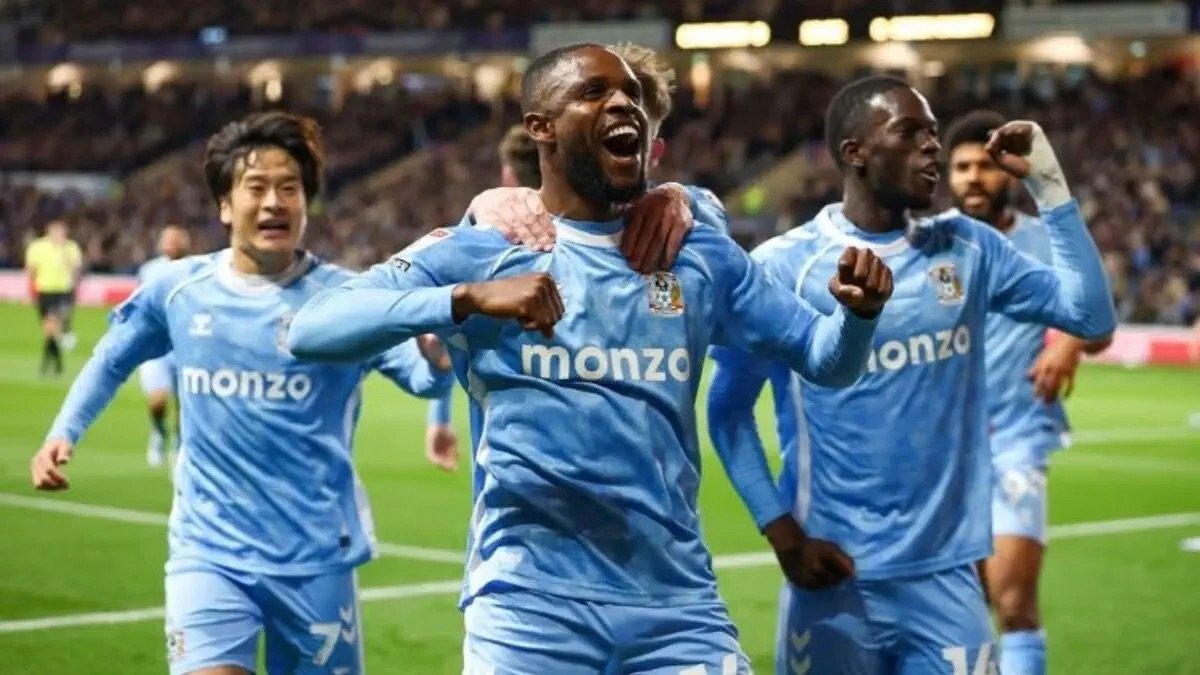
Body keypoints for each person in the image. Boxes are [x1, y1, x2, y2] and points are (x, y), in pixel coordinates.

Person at [287, 43, 893, 673]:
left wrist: (859, 316)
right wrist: (465, 299)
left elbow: (827, 361)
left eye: (631, 94)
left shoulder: (698, 256)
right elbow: (313, 328)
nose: (622, 103)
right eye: (594, 93)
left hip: (677, 606)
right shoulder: (481, 250)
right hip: (528, 605)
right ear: (540, 128)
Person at [705, 76, 1117, 675]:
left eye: (934, 134)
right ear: (856, 152)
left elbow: (1089, 317)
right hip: (834, 580)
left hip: (949, 580)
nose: (934, 149)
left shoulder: (968, 249)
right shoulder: (783, 267)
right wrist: (783, 534)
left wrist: (1049, 185)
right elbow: (728, 408)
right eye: (912, 134)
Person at [29, 111, 454, 675]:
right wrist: (64, 431)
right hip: (208, 553)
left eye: (290, 188)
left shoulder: (350, 298)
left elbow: (423, 381)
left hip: (317, 558)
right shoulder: (178, 292)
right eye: (256, 187)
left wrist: (439, 359)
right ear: (225, 205)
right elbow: (111, 357)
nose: (274, 202)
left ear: (307, 203)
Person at [943, 109, 1112, 675]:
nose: (972, 177)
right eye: (961, 166)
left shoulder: (1045, 241)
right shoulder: (931, 246)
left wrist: (1069, 340)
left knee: (1013, 601)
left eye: (985, 166)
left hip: (1018, 439)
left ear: (1009, 174)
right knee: (957, 611)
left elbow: (1099, 322)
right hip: (944, 451)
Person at [137, 224, 192, 469]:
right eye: (167, 238)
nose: (171, 243)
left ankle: (180, 444)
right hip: (156, 346)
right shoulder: (149, 270)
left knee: (185, 403)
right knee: (157, 400)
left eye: (176, 239)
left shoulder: (197, 269)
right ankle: (159, 432)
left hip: (185, 346)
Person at [24, 219, 83, 376]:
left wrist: (76, 286)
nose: (58, 235)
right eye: (55, 232)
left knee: (53, 325)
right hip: (45, 290)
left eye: (61, 232)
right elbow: (31, 269)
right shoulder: (37, 247)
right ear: (48, 232)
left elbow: (76, 269)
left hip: (63, 291)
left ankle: (50, 364)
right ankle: (56, 361)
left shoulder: (71, 247)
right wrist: (30, 289)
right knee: (49, 330)